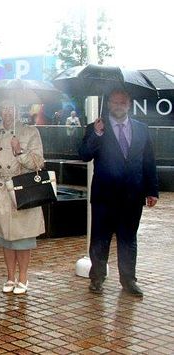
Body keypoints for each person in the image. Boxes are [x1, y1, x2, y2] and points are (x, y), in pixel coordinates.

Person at [79, 89, 158, 297]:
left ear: (129, 104)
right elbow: (84, 154)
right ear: (109, 104)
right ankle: (97, 278)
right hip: (104, 197)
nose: (118, 105)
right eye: (115, 102)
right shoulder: (97, 127)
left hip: (132, 197)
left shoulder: (142, 129)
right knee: (99, 239)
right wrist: (96, 134)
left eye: (122, 102)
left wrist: (152, 190)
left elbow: (149, 161)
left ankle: (129, 280)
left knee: (128, 240)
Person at [0, 100, 45, 295]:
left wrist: (19, 151)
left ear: (19, 109)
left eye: (11, 107)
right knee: (5, 239)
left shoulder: (30, 132)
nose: (7, 112)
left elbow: (38, 163)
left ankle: (23, 277)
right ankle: (10, 276)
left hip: (21, 190)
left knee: (22, 239)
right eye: (4, 108)